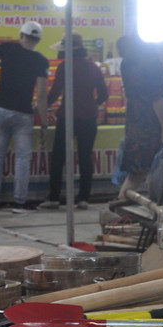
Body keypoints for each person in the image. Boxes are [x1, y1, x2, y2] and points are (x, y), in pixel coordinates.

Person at [0, 20, 49, 213]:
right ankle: (19, 203)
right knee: (22, 159)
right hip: (23, 114)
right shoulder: (40, 61)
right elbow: (41, 96)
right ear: (38, 40)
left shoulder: (7, 49)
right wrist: (44, 124)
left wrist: (2, 62)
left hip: (1, 110)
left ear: (21, 36)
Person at [39, 32, 109, 210]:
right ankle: (84, 199)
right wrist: (92, 104)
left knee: (59, 158)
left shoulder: (64, 67)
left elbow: (54, 93)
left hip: (67, 117)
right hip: (89, 118)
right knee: (86, 158)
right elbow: (104, 94)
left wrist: (40, 105)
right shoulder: (94, 67)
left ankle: (54, 197)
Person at [116, 33, 163, 195]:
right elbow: (157, 98)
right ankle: (120, 206)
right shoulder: (151, 62)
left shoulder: (126, 63)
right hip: (150, 122)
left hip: (134, 119)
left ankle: (121, 205)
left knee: (137, 171)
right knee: (146, 170)